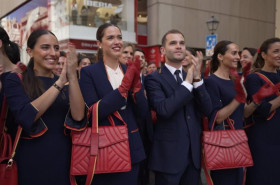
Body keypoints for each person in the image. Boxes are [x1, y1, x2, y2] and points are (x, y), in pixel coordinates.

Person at [3, 29, 87, 185]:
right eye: (45, 47)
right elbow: (26, 116)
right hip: (29, 163)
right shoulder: (15, 80)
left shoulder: (65, 81)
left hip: (63, 161)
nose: (53, 53)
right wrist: (60, 83)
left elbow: (78, 116)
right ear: (30, 51)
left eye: (56, 48)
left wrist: (72, 77)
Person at [79, 23, 148, 185]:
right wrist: (123, 90)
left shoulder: (129, 69)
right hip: (104, 148)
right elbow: (93, 112)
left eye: (119, 37)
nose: (117, 41)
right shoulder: (89, 73)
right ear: (99, 43)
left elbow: (143, 113)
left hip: (131, 147)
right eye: (110, 38)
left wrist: (137, 87)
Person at [144, 29, 212, 185]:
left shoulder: (193, 76)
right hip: (168, 159)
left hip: (193, 158)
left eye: (182, 43)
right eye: (173, 43)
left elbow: (208, 110)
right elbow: (164, 110)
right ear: (163, 50)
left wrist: (197, 79)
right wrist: (188, 81)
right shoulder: (154, 79)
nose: (179, 46)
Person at [205, 40, 249, 185]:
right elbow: (216, 118)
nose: (238, 57)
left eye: (239, 53)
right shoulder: (212, 81)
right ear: (220, 56)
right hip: (224, 145)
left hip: (239, 142)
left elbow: (243, 114)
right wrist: (238, 99)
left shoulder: (235, 81)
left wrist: (257, 101)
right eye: (234, 53)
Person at [245, 37, 280, 185]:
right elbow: (263, 110)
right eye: (276, 51)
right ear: (263, 55)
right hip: (264, 140)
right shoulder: (254, 78)